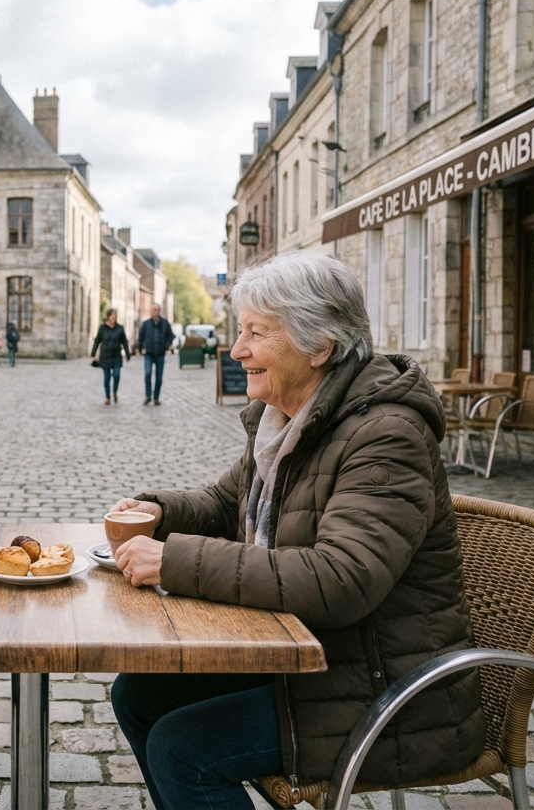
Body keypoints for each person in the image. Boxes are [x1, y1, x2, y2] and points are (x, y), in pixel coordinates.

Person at [107, 254, 484, 809]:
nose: (237, 351)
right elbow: (226, 502)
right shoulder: (286, 419)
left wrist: (173, 560)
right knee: (138, 693)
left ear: (320, 347)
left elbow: (340, 578)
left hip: (384, 687)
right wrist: (157, 511)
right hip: (305, 656)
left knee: (183, 748)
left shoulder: (386, 435)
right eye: (241, 331)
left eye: (256, 333)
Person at [91, 308, 131, 404]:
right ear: (108, 316)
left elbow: (124, 342)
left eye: (115, 315)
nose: (114, 317)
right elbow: (97, 340)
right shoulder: (102, 328)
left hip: (116, 355)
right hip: (105, 356)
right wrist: (93, 352)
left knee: (116, 375)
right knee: (107, 377)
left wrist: (127, 354)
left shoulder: (120, 328)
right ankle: (108, 397)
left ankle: (115, 393)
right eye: (112, 315)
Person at [136, 304, 174, 405]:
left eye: (157, 310)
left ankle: (156, 397)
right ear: (150, 311)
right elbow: (141, 337)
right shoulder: (146, 324)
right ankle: (148, 396)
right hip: (149, 353)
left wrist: (166, 346)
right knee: (148, 373)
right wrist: (140, 348)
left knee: (159, 377)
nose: (156, 312)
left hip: (160, 354)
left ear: (160, 311)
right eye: (154, 310)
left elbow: (171, 336)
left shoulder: (165, 323)